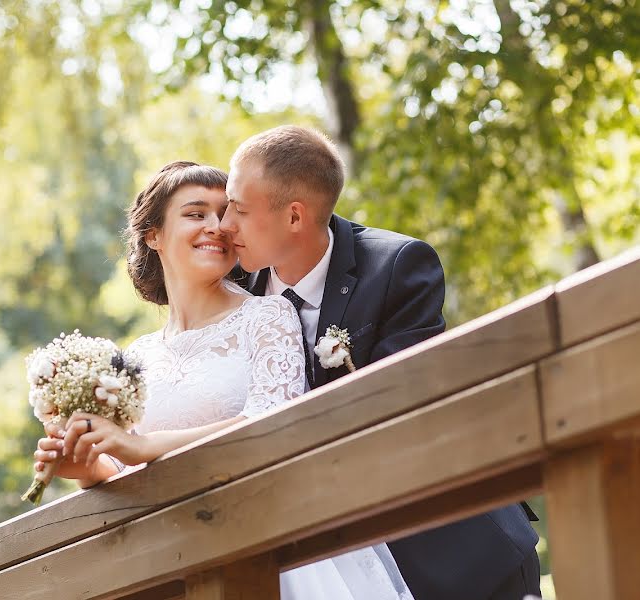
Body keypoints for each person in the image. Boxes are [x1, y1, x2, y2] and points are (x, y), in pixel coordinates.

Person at [34, 160, 414, 600]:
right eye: (196, 214)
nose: (218, 226)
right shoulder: (136, 357)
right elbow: (125, 469)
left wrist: (141, 447)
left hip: (273, 550)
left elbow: (272, 423)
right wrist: (87, 467)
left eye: (225, 213)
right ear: (153, 234)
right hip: (177, 559)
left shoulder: (267, 315)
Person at [218, 126, 541, 600]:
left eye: (240, 210)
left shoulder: (398, 267)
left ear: (293, 216)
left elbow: (391, 412)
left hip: (452, 551)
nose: (225, 224)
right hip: (323, 566)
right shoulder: (235, 297)